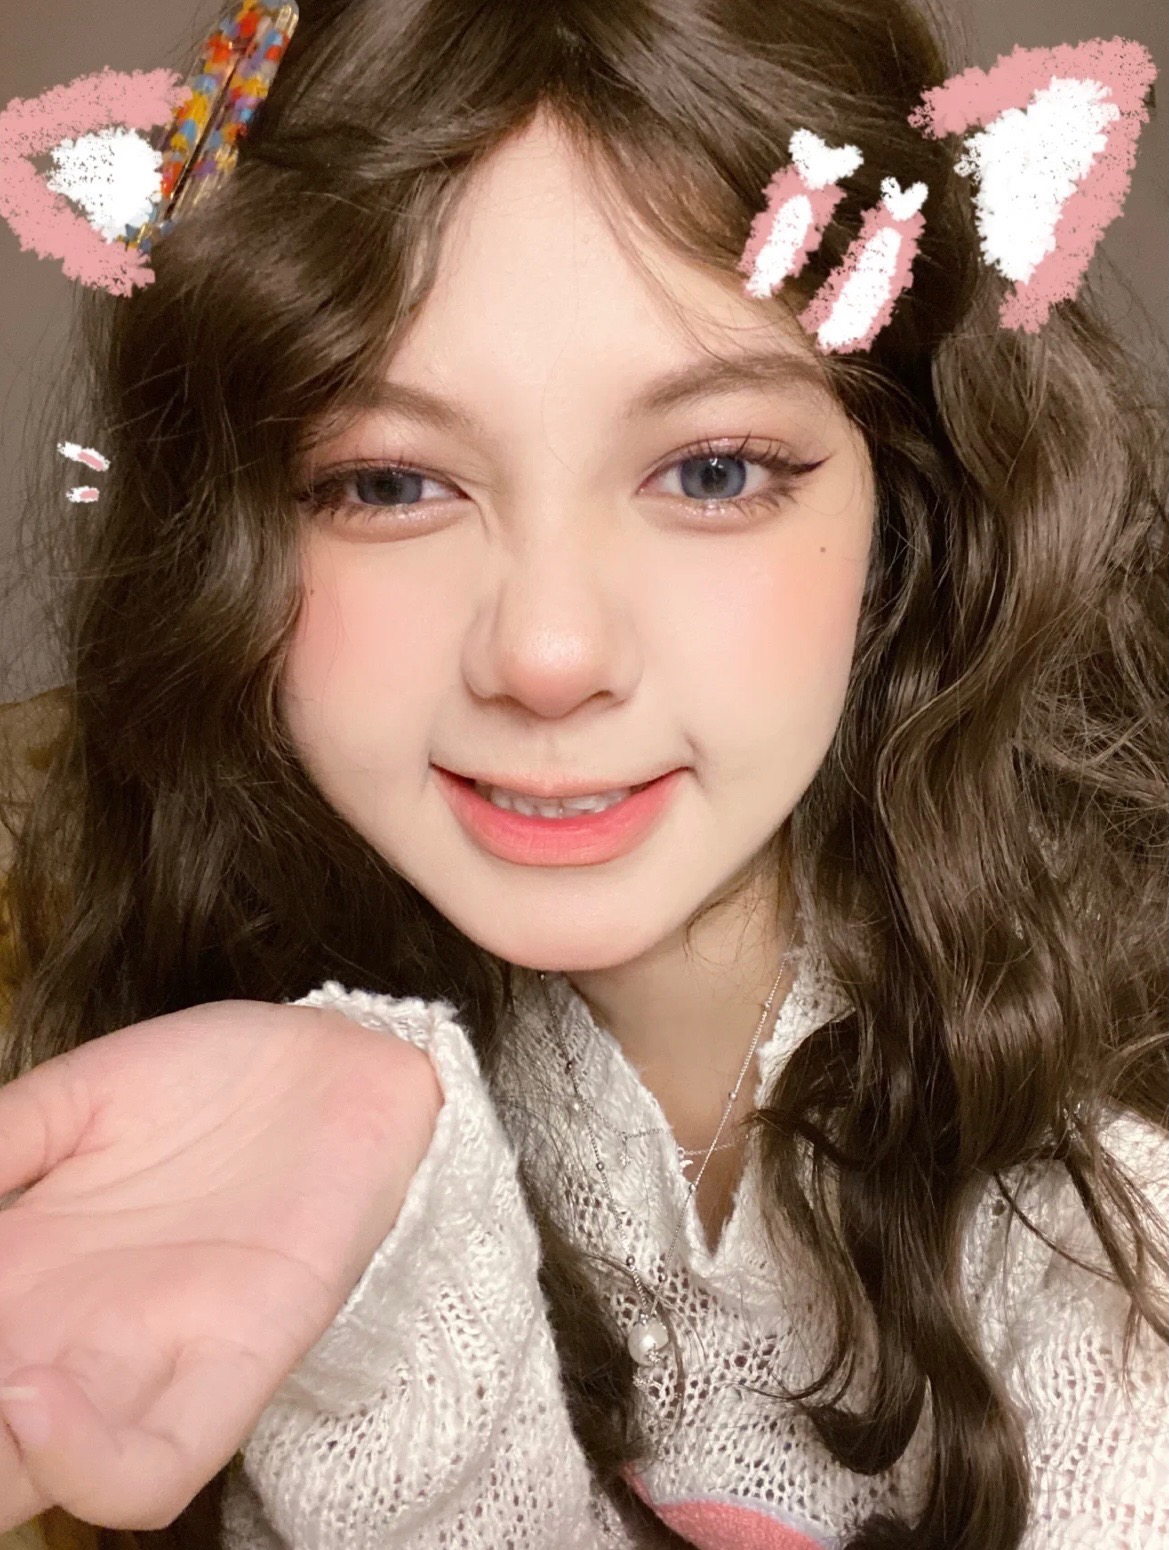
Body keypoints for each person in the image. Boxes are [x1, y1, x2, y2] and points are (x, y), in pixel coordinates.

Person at [0, 0, 1166, 1545]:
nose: (547, 653)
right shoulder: (231, 1094)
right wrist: (388, 1237)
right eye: (387, 482)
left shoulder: (1120, 1176)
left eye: (710, 470)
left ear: (910, 511)